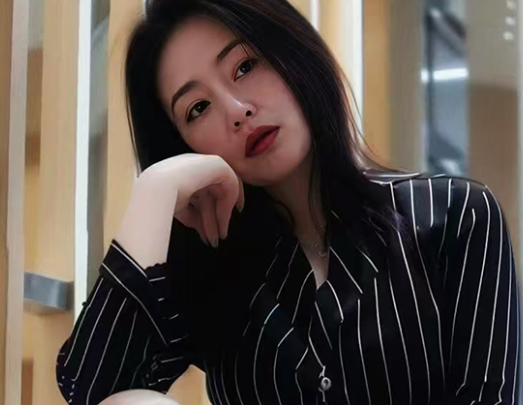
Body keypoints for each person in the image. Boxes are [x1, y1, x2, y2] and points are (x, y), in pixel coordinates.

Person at [56, 0, 520, 404]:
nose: (237, 111)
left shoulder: (455, 215)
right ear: (183, 142)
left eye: (245, 66)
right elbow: (93, 390)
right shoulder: (210, 270)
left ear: (292, 54)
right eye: (197, 108)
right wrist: (154, 192)